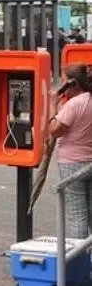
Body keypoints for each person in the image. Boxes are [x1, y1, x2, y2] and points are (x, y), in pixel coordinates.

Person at [48, 63, 92, 238]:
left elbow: (55, 130)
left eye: (63, 80)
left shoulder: (74, 105)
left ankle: (79, 259)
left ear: (71, 84)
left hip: (72, 163)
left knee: (76, 215)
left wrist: (53, 104)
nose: (61, 84)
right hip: (89, 162)